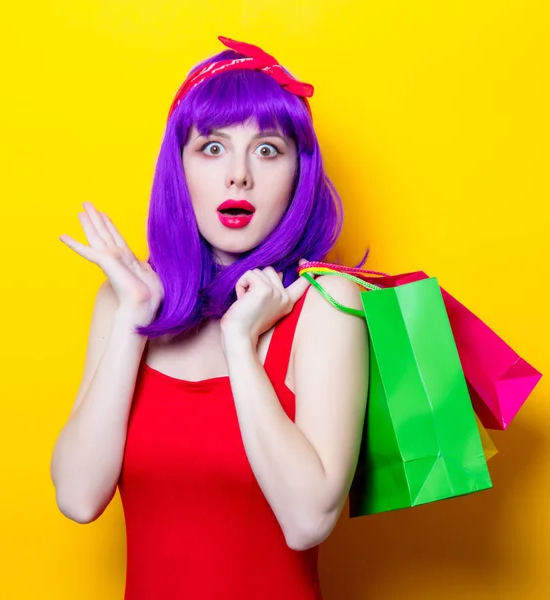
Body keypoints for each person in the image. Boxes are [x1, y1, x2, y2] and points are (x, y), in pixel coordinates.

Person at [50, 36, 370, 600]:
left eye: (268, 149)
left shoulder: (328, 306)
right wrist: (134, 316)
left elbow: (307, 521)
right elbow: (78, 497)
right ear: (179, 167)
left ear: (300, 172)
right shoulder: (126, 301)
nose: (239, 176)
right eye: (213, 148)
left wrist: (240, 345)